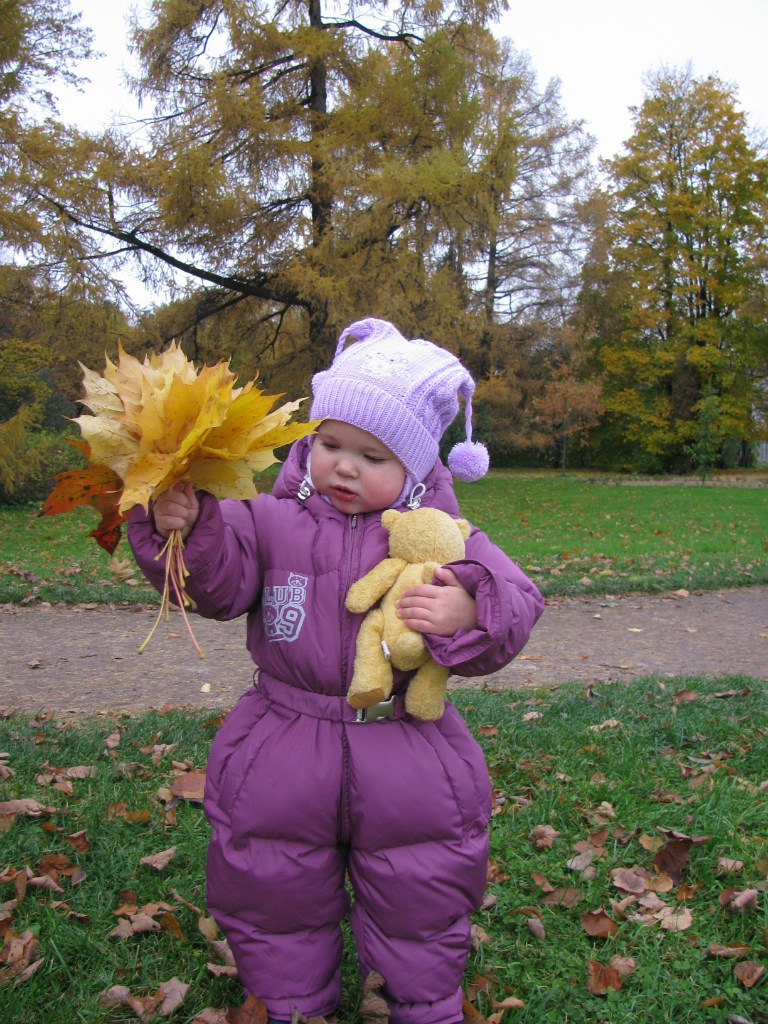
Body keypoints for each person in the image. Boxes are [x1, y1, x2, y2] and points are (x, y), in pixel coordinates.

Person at [127, 318, 544, 1024]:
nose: (343, 466)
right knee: (273, 886)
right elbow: (218, 584)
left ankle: (425, 1004)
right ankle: (294, 1004)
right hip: (284, 744)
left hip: (409, 751)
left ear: (417, 469)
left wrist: (470, 608)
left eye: (372, 455)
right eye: (329, 445)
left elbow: (519, 601)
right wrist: (187, 524)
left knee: (423, 889)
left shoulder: (447, 543)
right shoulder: (266, 521)